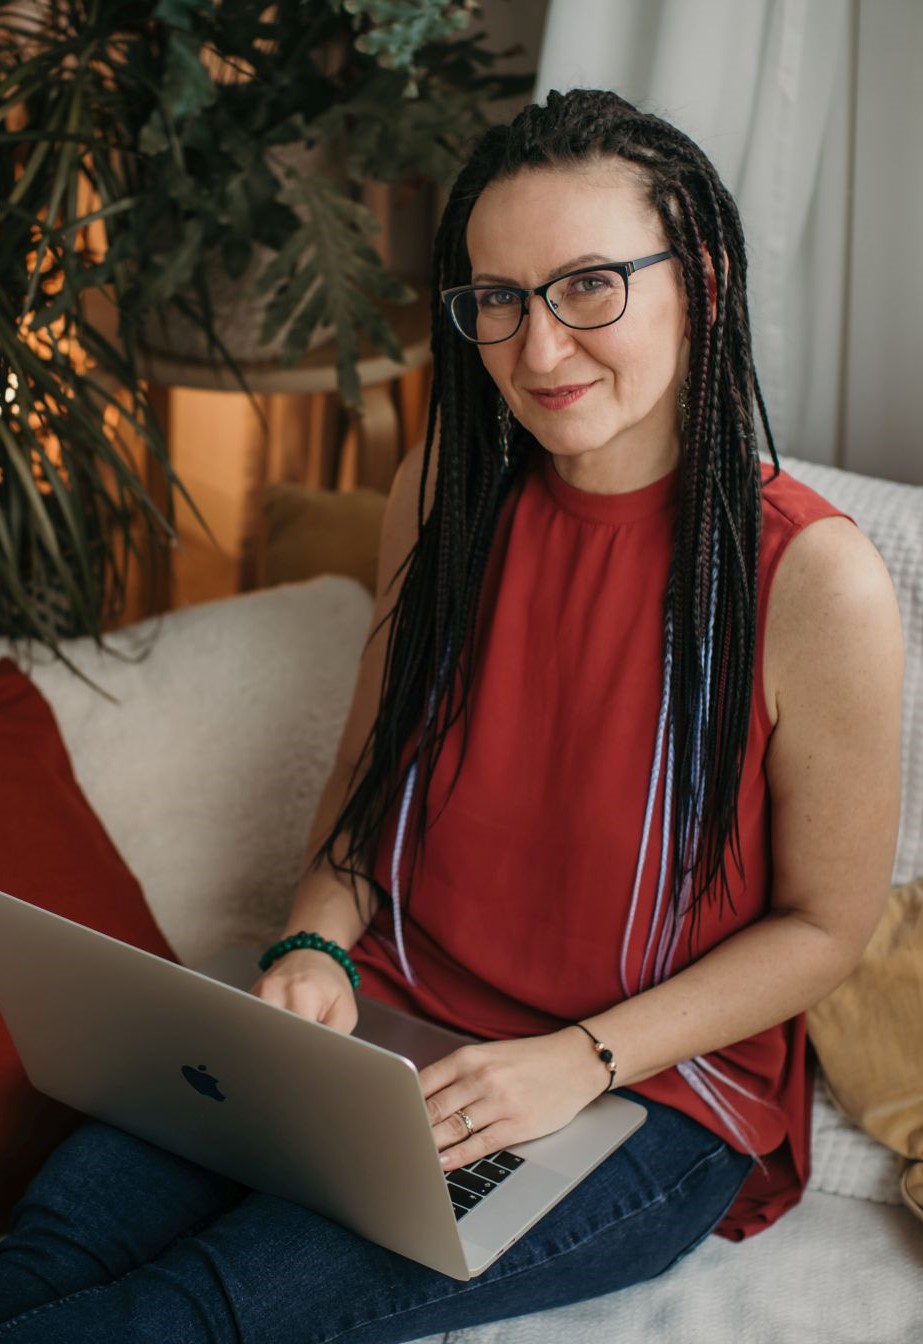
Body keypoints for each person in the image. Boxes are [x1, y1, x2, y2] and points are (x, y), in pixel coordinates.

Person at [0, 88, 903, 1342]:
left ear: (699, 278)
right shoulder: (439, 489)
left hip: (647, 1094)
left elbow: (824, 926)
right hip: (385, 1023)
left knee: (188, 1311)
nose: (537, 349)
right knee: (45, 1249)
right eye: (497, 300)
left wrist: (576, 1060)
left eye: (588, 286)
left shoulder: (812, 579)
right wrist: (313, 944)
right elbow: (368, 778)